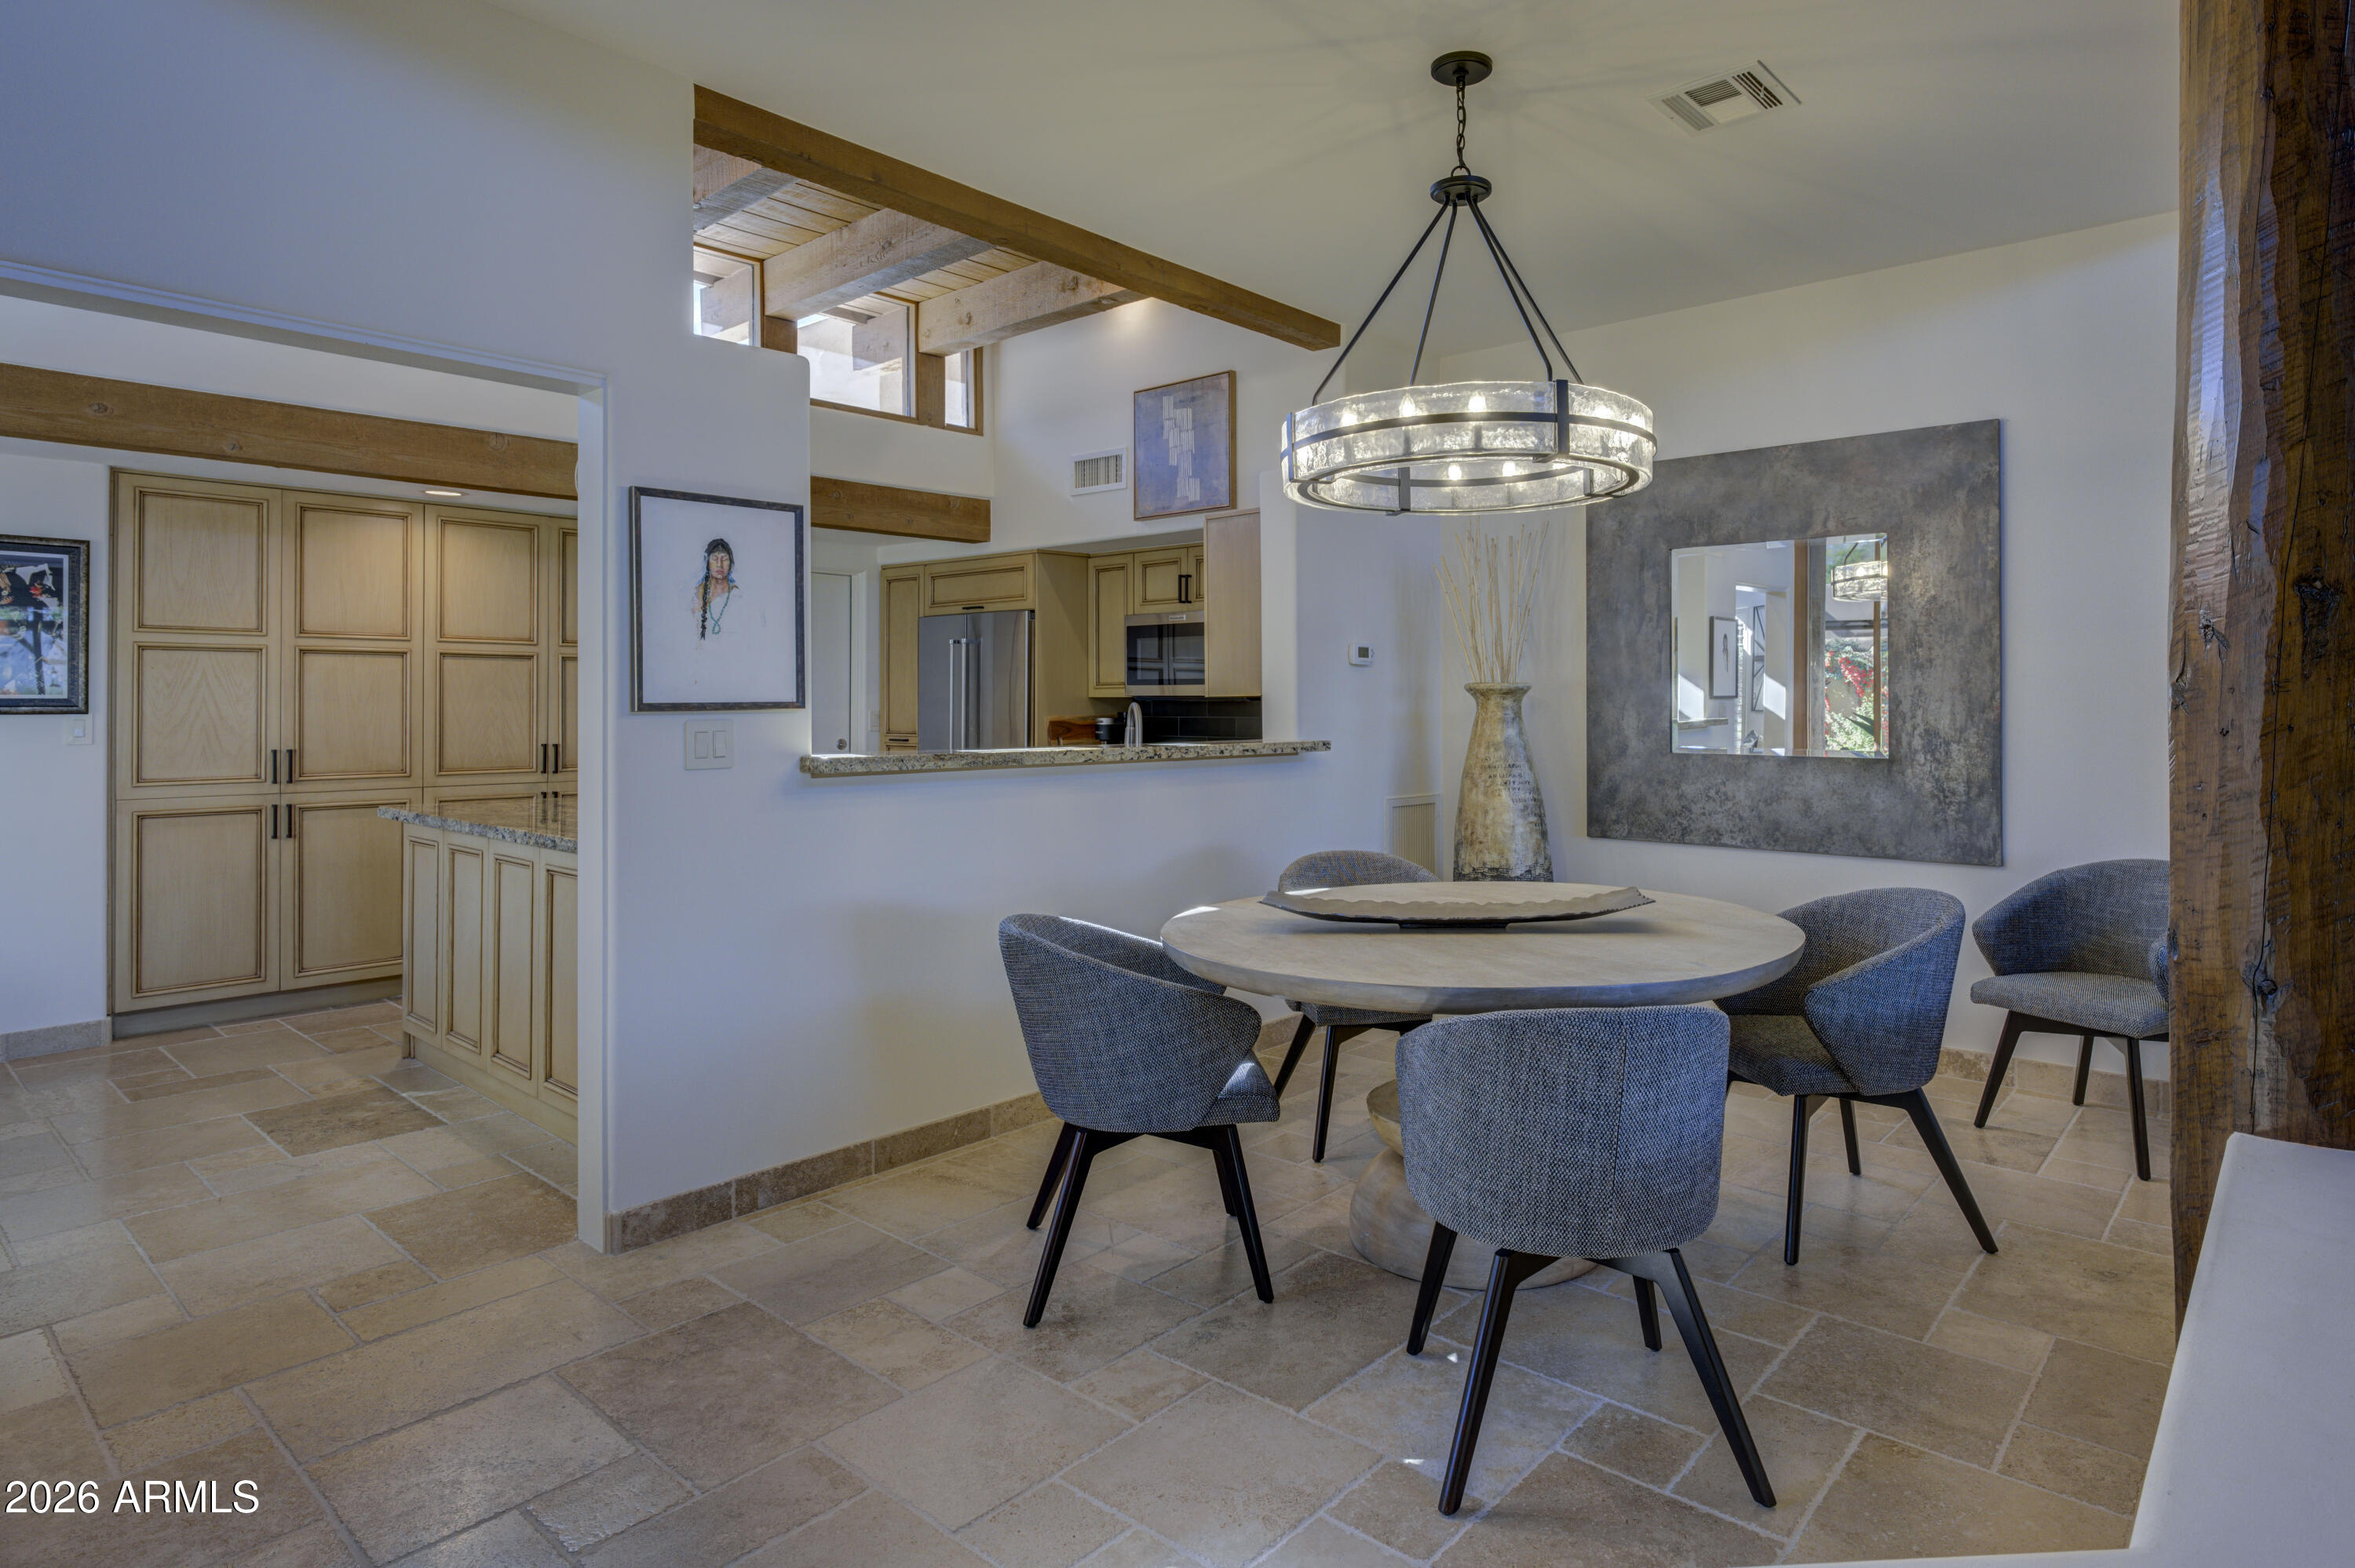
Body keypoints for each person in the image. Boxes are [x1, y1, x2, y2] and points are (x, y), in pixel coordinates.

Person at [691, 538, 738, 640]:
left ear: (730, 564)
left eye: (724, 559)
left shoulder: (737, 595)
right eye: (715, 559)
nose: (720, 565)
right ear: (708, 563)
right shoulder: (697, 594)